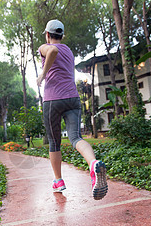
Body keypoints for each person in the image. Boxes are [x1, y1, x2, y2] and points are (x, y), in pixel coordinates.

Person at [37, 19, 108, 200]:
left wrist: (43, 75)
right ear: (62, 35)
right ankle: (93, 164)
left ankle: (58, 180)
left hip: (53, 100)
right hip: (72, 98)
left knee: (54, 142)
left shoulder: (45, 46)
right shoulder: (68, 50)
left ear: (47, 35)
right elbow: (58, 52)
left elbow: (52, 50)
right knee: (76, 137)